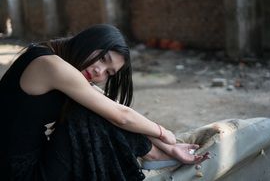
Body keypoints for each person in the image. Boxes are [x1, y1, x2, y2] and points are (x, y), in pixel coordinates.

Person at [0, 24, 209, 181]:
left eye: (109, 72)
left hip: (25, 163)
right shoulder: (50, 65)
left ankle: (154, 154)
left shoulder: (56, 58)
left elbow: (114, 107)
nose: (100, 71)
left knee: (97, 110)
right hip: (21, 174)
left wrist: (168, 147)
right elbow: (121, 117)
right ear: (89, 42)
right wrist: (166, 134)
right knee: (87, 114)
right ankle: (153, 155)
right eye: (102, 58)